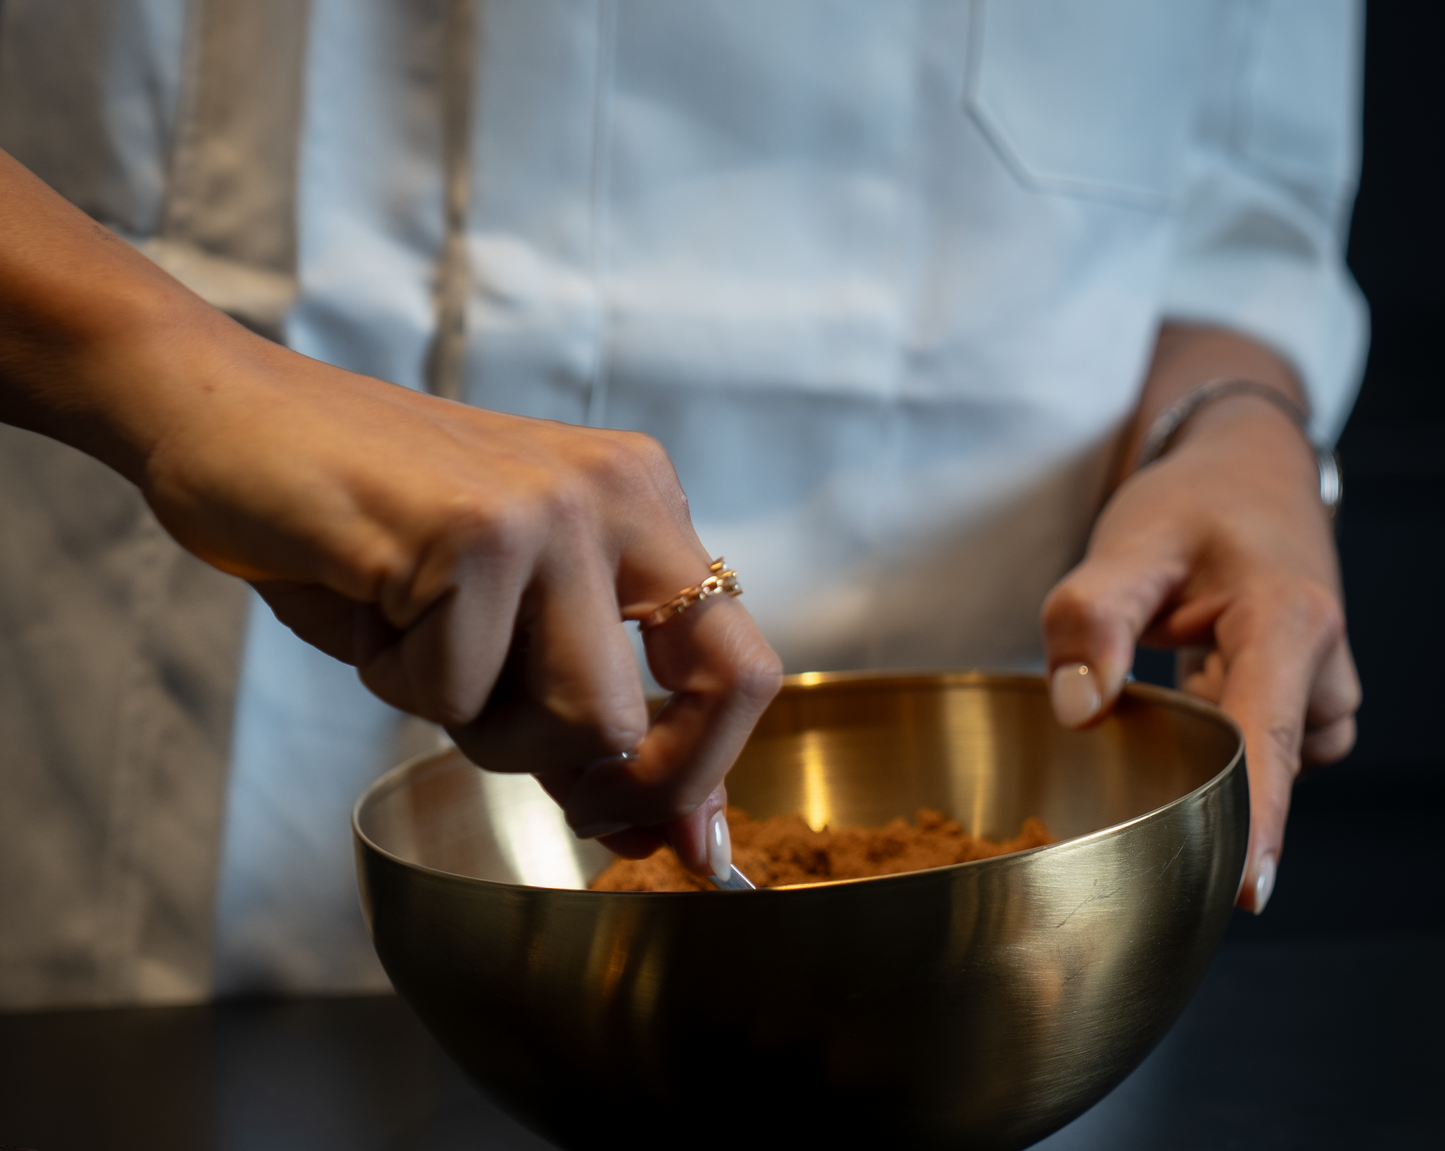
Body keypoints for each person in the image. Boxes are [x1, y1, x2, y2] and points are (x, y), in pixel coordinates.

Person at [0, 1, 1364, 1009]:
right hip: (156, 844)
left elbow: (1237, 198)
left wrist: (1235, 419)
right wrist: (169, 370)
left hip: (971, 961)